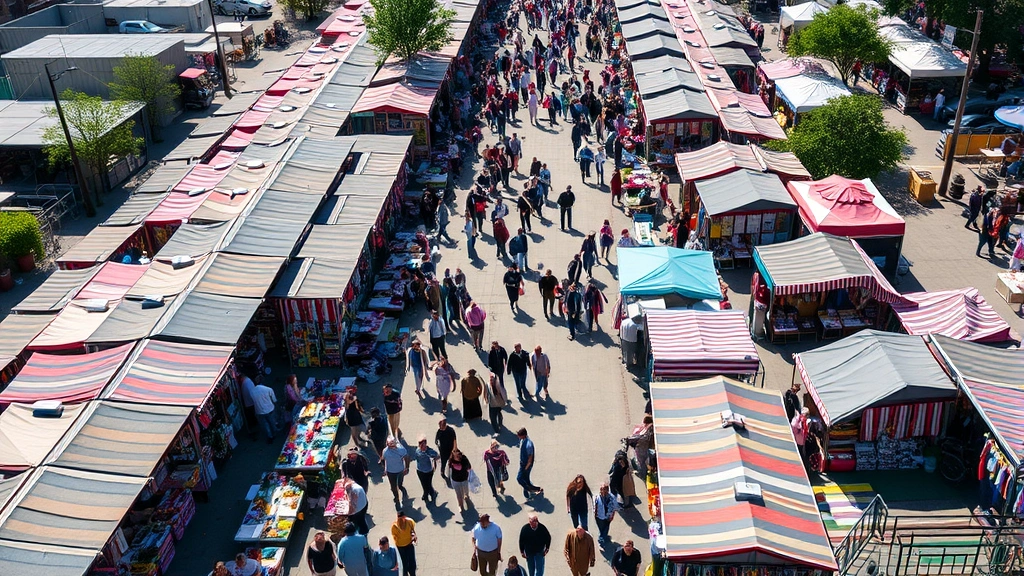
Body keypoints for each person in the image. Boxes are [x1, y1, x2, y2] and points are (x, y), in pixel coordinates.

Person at [381, 436, 408, 507]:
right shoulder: (385, 451)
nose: (392, 447)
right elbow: (383, 459)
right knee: (393, 486)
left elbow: (406, 457)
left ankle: (400, 486)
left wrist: (407, 468)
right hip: (390, 472)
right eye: (390, 445)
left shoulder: (401, 449)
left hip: (400, 470)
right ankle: (396, 497)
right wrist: (385, 469)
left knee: (399, 483)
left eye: (393, 445)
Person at [517, 428, 543, 498]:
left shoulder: (528, 445)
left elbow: (530, 457)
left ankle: (532, 489)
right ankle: (530, 488)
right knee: (526, 479)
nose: (518, 437)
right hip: (523, 463)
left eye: (519, 435)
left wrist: (526, 468)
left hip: (526, 465)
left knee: (519, 478)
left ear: (524, 435)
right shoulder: (523, 440)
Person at [413, 435, 440, 502]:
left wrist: (434, 460)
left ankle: (426, 494)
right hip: (419, 470)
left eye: (423, 444)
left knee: (428, 483)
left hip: (428, 471)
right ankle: (431, 492)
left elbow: (438, 455)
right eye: (420, 444)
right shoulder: (417, 450)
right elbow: (416, 458)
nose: (421, 446)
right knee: (423, 483)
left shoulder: (430, 451)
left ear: (426, 444)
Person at [391, 511, 417, 576]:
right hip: (406, 545)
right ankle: (410, 573)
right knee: (408, 562)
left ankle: (408, 573)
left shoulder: (395, 526)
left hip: (404, 545)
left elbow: (395, 536)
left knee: (406, 562)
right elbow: (412, 530)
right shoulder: (408, 522)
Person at [448, 447, 473, 511]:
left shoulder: (464, 459)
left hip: (464, 479)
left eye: (458, 455)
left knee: (466, 490)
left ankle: (466, 496)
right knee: (459, 494)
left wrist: (464, 467)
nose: (457, 457)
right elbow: (449, 469)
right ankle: (461, 506)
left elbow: (469, 467)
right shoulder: (451, 461)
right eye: (455, 456)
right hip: (455, 480)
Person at [435, 418, 457, 486]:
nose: (440, 428)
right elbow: (436, 440)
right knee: (443, 462)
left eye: (441, 426)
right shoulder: (439, 431)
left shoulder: (450, 430)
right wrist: (439, 447)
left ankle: (452, 474)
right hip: (443, 451)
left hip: (450, 450)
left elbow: (454, 440)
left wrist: (454, 449)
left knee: (451, 462)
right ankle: (442, 471)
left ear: (444, 425)